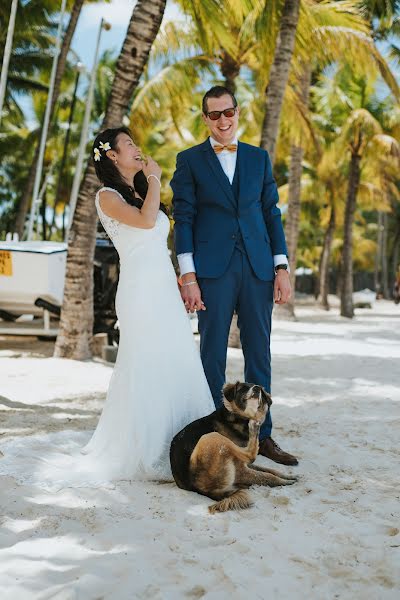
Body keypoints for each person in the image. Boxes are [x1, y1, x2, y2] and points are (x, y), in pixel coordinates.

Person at [0, 127, 214, 488]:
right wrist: (156, 178)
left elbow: (155, 239)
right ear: (112, 155)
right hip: (140, 291)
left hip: (162, 286)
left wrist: (179, 279)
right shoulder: (107, 196)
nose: (136, 147)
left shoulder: (138, 192)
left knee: (177, 357)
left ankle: (188, 443)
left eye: (134, 141)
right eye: (129, 143)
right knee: (146, 363)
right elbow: (147, 222)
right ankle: (150, 449)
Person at [171, 85, 298, 466]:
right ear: (205, 118)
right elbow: (185, 219)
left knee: (260, 354)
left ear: (237, 112)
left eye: (228, 112)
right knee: (211, 354)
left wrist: (281, 267)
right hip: (212, 270)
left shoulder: (259, 159)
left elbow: (271, 214)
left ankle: (266, 436)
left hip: (258, 268)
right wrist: (188, 275)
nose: (223, 120)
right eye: (214, 115)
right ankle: (216, 436)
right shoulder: (190, 160)